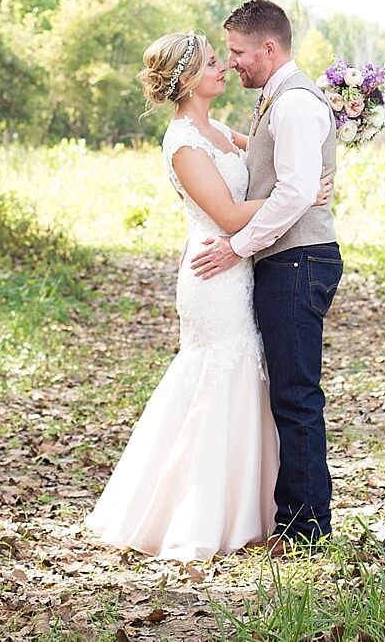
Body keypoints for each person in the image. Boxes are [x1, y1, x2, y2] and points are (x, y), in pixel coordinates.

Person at [84, 29, 330, 560]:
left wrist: (303, 172)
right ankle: (198, 512)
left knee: (249, 380)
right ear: (188, 78)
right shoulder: (183, 145)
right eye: (215, 63)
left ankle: (252, 509)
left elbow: (264, 164)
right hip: (213, 271)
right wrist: (303, 192)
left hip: (240, 264)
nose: (224, 69)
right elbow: (227, 213)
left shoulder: (218, 130)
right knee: (219, 375)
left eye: (225, 59)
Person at [190, 0, 342, 552]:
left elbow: (297, 190)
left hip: (298, 260)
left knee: (296, 397)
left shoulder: (295, 104)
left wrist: (238, 245)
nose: (232, 64)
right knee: (288, 393)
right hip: (289, 259)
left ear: (269, 48)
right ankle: (296, 519)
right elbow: (286, 175)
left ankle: (305, 531)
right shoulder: (276, 103)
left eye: (237, 53)